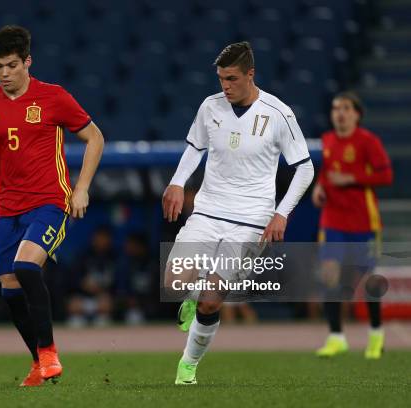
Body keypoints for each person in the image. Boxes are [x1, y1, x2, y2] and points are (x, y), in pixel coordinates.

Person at [0, 25, 104, 386]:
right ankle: (37, 363)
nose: (5, 73)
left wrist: (82, 188)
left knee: (27, 267)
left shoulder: (54, 97)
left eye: (12, 65)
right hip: (7, 209)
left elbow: (95, 137)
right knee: (10, 292)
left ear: (28, 61)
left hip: (50, 201)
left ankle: (49, 353)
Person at [162, 41, 314, 385]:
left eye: (231, 78)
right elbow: (194, 147)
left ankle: (188, 366)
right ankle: (190, 295)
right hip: (207, 212)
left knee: (212, 301)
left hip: (252, 219)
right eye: (220, 79)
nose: (225, 86)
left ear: (250, 74)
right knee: (172, 282)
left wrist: (282, 213)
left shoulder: (279, 114)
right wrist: (176, 183)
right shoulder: (210, 107)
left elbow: (304, 169)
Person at [312, 92, 393, 359]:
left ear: (357, 114)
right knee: (329, 275)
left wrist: (351, 177)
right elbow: (326, 173)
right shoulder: (327, 140)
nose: (340, 113)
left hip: (363, 222)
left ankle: (376, 335)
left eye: (345, 108)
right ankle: (336, 337)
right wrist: (319, 188)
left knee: (367, 281)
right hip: (332, 220)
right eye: (336, 108)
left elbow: (386, 175)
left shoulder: (368, 141)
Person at [66, 226, 117, 327]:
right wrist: (82, 284)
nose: (101, 241)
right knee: (74, 308)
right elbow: (72, 279)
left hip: (103, 299)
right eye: (99, 237)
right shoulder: (83, 255)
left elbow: (119, 283)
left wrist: (103, 290)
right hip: (83, 298)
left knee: (105, 311)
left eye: (104, 238)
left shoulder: (115, 257)